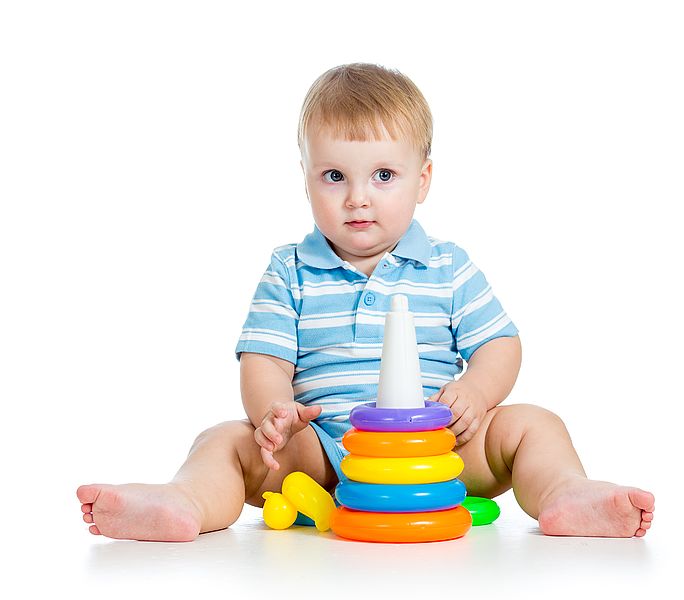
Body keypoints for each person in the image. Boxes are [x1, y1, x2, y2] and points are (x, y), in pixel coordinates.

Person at [76, 63, 654, 542]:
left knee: (534, 425)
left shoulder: (448, 266)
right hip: (327, 455)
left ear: (422, 180)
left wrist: (477, 393)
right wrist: (276, 412)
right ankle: (186, 504)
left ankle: (565, 494)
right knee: (224, 440)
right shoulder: (291, 269)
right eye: (334, 176)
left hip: (438, 452)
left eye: (383, 175)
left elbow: (499, 344)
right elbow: (266, 360)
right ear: (305, 180)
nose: (357, 199)